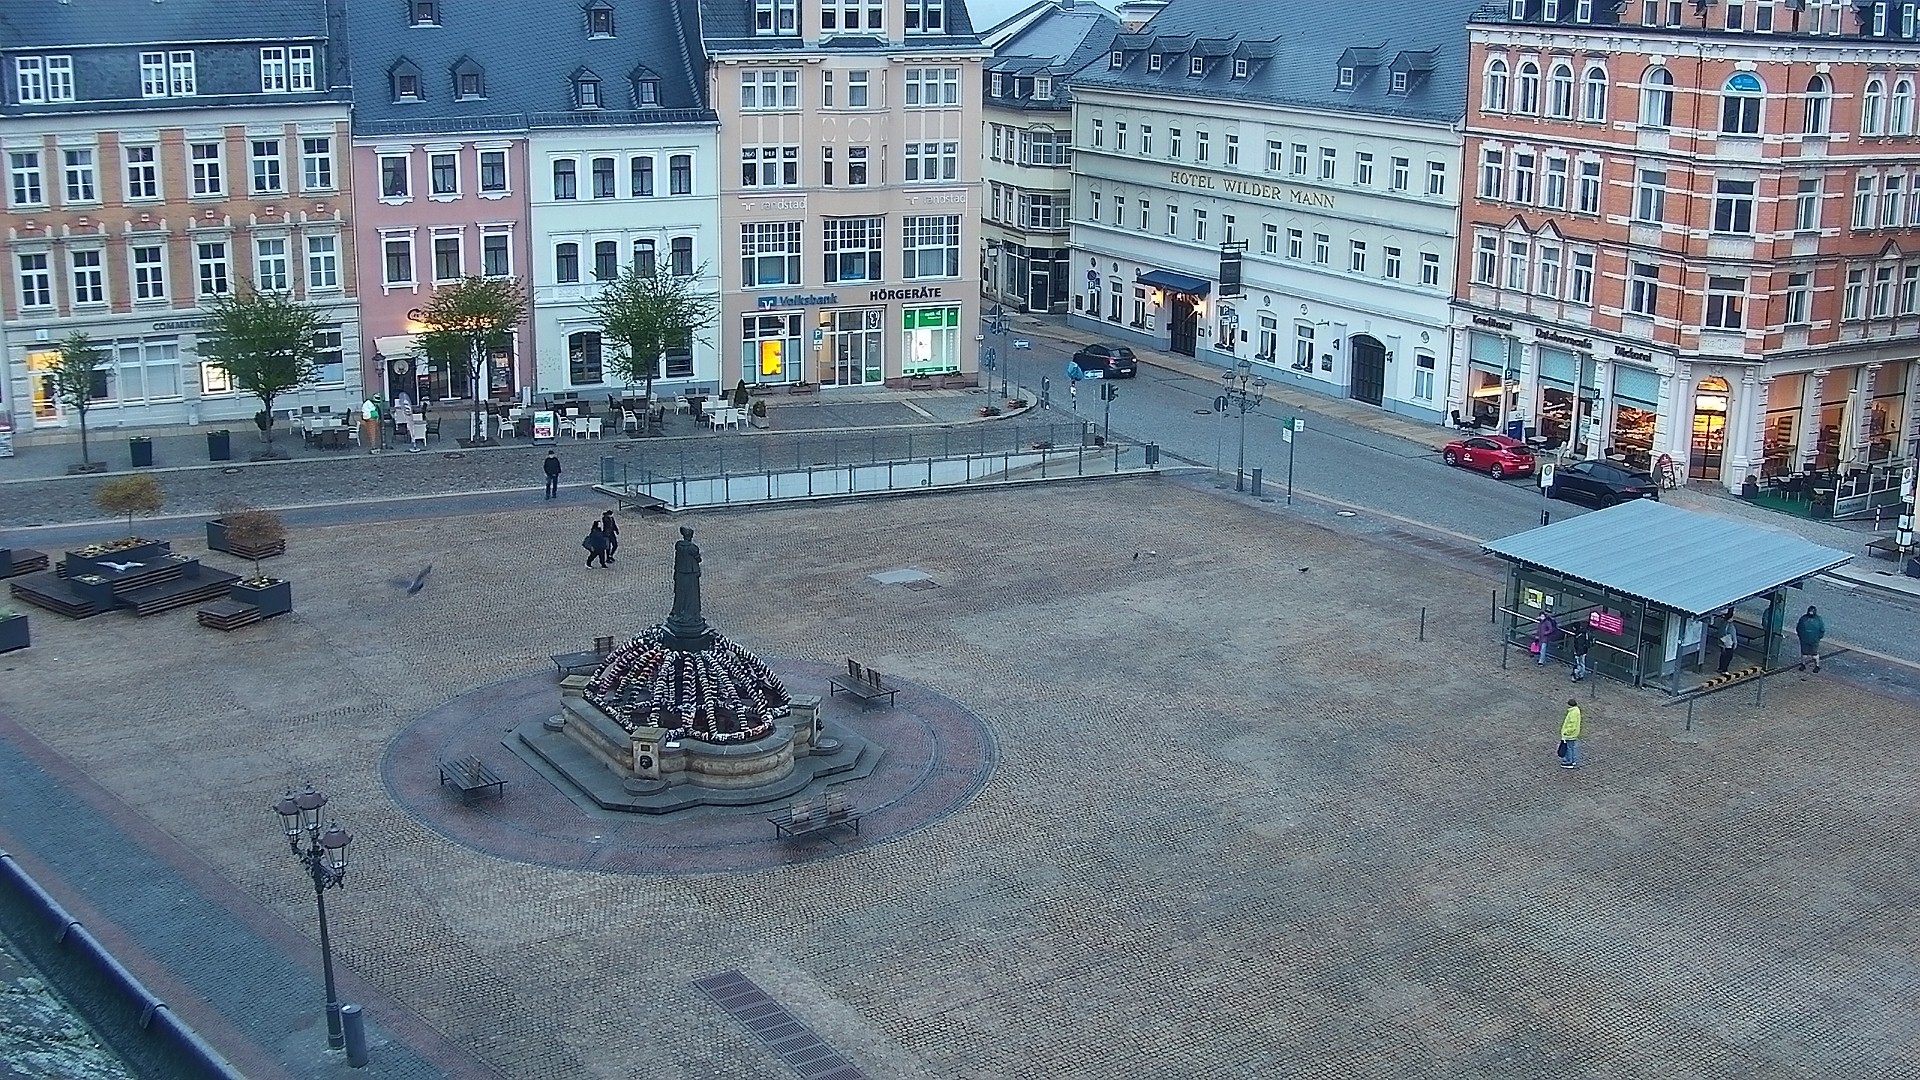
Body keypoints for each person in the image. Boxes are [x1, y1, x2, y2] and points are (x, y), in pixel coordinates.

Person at [1796, 605, 1826, 675]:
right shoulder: (1817, 619)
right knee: (1805, 654)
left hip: (1811, 640)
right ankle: (1804, 665)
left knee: (1813, 654)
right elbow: (1822, 630)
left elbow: (1798, 628)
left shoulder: (1804, 618)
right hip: (1807, 639)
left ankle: (1816, 666)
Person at [1558, 699, 1582, 768]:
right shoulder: (1576, 711)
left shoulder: (1572, 713)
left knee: (1569, 748)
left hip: (1570, 734)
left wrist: (1566, 732)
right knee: (1571, 747)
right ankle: (1572, 760)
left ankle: (1569, 761)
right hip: (1573, 734)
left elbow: (1572, 726)